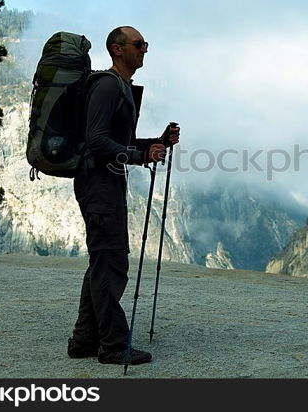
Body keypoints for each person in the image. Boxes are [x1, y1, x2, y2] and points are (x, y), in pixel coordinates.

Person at [67, 25, 180, 365]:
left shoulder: (122, 88)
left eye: (145, 44)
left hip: (106, 182)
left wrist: (153, 144)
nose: (144, 49)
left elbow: (120, 143)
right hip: (97, 183)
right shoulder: (106, 86)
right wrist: (140, 155)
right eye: (138, 44)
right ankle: (114, 345)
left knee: (103, 260)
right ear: (117, 49)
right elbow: (97, 140)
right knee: (112, 262)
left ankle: (85, 340)